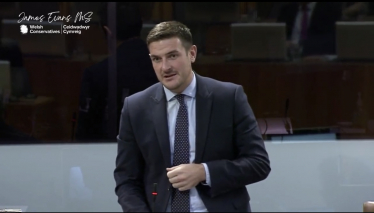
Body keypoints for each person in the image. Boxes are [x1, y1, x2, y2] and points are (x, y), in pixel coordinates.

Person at [114, 21, 271, 212]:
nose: (165, 67)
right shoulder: (136, 107)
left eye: (172, 56)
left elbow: (258, 163)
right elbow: (126, 180)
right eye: (156, 59)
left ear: (192, 53)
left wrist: (204, 172)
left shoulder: (228, 98)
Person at [75, 2, 159, 142]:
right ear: (140, 26)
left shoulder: (97, 73)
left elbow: (86, 134)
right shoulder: (166, 69)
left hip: (111, 157)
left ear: (107, 32)